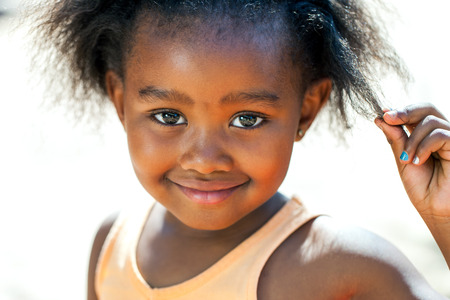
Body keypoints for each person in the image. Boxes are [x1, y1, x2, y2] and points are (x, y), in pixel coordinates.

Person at [30, 0, 450, 299]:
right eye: (168, 116)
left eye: (247, 119)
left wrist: (446, 219)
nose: (205, 159)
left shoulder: (345, 267)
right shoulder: (111, 245)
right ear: (121, 102)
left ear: (306, 110)